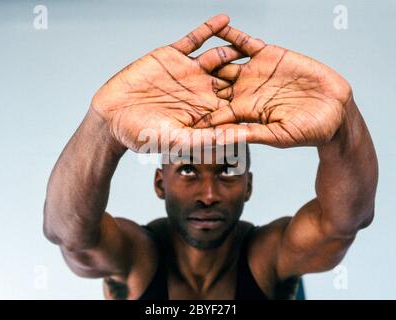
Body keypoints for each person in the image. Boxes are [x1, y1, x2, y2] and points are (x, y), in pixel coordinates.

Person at [43, 14, 378, 299]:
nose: (208, 194)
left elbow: (343, 223)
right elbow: (69, 235)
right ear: (160, 183)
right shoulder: (138, 258)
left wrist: (342, 119)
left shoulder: (267, 257)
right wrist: (102, 127)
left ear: (248, 185)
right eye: (188, 171)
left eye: (228, 171)